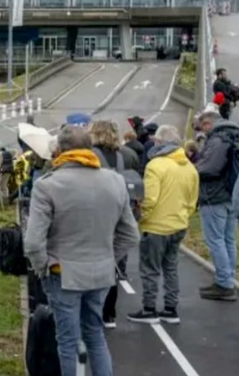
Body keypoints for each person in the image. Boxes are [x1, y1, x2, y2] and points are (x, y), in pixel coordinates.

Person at [23, 126, 139, 376]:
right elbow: (131, 234)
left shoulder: (47, 185)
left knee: (67, 342)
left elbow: (33, 242)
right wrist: (109, 258)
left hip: (62, 273)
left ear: (59, 150)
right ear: (90, 148)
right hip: (101, 273)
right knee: (95, 334)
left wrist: (43, 268)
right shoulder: (115, 181)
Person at [127, 125, 199, 324]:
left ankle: (149, 308)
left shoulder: (155, 166)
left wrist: (141, 217)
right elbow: (193, 200)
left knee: (150, 269)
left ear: (159, 142)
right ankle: (170, 308)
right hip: (178, 223)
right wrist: (184, 216)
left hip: (156, 225)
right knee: (171, 267)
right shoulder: (189, 167)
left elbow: (150, 199)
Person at [88, 119, 142, 328]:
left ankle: (95, 309)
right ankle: (109, 312)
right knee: (112, 265)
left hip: (97, 208)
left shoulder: (91, 155)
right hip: (119, 206)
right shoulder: (124, 155)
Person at [192, 110, 239, 301]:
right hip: (231, 195)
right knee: (229, 240)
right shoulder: (235, 136)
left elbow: (210, 168)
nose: (202, 131)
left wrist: (193, 169)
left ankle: (224, 283)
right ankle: (228, 278)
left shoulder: (218, 140)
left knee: (216, 240)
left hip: (214, 196)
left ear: (208, 124)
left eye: (202, 126)